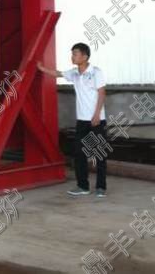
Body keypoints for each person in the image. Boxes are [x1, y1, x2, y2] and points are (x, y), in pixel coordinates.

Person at [37, 42, 108, 198]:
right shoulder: (74, 73)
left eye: (75, 54)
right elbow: (58, 74)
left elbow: (102, 93)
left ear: (85, 56)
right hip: (82, 120)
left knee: (99, 154)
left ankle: (101, 187)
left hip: (97, 119)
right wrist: (42, 68)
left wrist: (97, 114)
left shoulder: (96, 72)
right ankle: (83, 186)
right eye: (72, 54)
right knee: (79, 153)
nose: (72, 57)